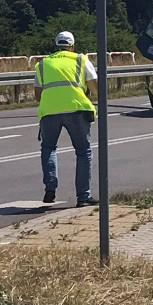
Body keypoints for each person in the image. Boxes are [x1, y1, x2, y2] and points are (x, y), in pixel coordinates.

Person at [34, 31, 98, 207]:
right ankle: (83, 197)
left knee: (48, 148)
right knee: (83, 152)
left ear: (56, 45)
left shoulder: (43, 64)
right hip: (76, 109)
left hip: (48, 112)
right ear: (72, 46)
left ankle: (50, 189)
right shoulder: (80, 60)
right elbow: (95, 88)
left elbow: (38, 95)